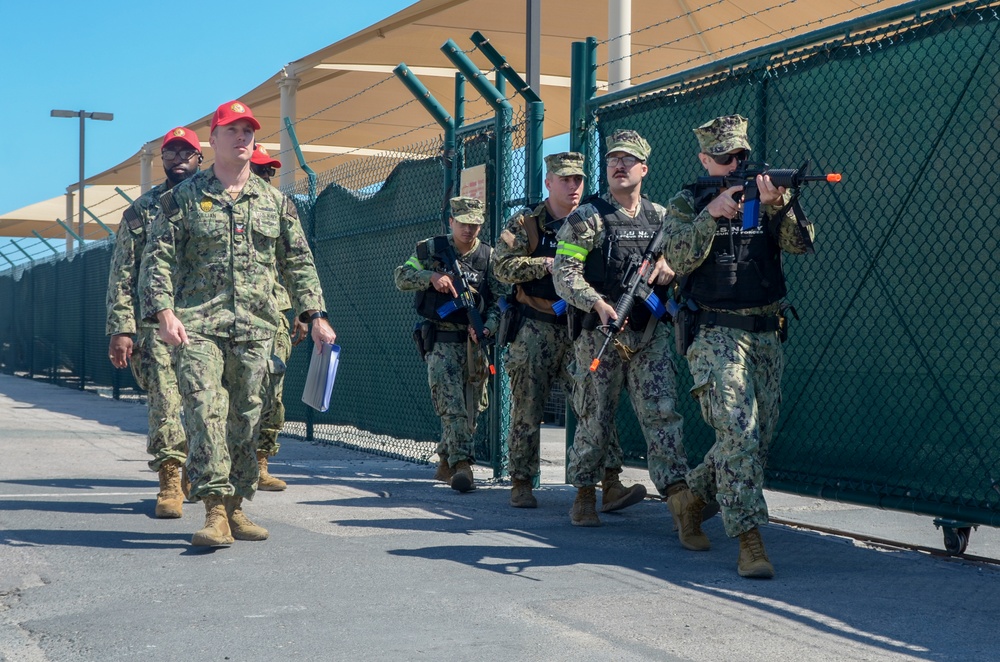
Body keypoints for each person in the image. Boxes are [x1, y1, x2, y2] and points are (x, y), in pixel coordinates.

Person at [139, 100, 335, 547]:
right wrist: (164, 314)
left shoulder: (276, 202)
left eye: (248, 130)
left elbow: (299, 262)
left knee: (246, 421)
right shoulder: (182, 200)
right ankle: (213, 512)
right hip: (198, 326)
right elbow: (158, 262)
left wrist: (316, 315)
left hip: (258, 329)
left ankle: (236, 506)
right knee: (206, 414)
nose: (243, 136)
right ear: (214, 139)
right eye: (233, 130)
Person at [661, 114, 816, 579]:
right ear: (705, 159)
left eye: (741, 157)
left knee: (755, 438)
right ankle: (749, 540)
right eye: (725, 157)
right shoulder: (688, 202)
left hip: (766, 330)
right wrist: (712, 214)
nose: (734, 164)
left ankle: (691, 497)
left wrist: (779, 205)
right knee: (737, 432)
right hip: (713, 331)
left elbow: (802, 245)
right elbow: (677, 257)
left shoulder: (769, 197)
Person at [552, 129, 690, 527]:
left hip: (649, 337)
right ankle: (583, 492)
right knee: (594, 417)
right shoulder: (588, 218)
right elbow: (565, 272)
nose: (618, 165)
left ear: (643, 168)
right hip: (601, 334)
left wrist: (671, 266)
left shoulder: (663, 218)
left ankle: (680, 499)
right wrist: (596, 302)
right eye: (613, 159)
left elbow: (689, 255)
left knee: (662, 413)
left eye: (628, 160)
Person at [493, 152, 644, 511]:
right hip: (536, 326)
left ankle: (609, 481)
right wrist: (543, 264)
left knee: (594, 406)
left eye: (578, 179)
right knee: (528, 405)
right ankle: (521, 480)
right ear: (549, 183)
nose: (573, 185)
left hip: (581, 327)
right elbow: (500, 267)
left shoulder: (594, 217)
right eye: (565, 179)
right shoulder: (525, 223)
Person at [106, 126, 201, 518]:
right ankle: (169, 479)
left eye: (187, 153)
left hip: (206, 321)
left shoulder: (219, 202)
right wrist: (121, 328)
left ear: (200, 159)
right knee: (165, 399)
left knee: (207, 401)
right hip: (153, 326)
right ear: (162, 159)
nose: (178, 158)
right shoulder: (142, 210)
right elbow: (123, 272)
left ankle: (199, 471)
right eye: (171, 152)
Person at [393, 197, 506, 493]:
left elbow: (500, 301)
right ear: (451, 222)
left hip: (473, 342)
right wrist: (431, 277)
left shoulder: (489, 258)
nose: (470, 229)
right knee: (452, 405)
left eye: (475, 224)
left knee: (471, 409)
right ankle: (462, 465)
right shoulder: (431, 250)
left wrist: (486, 326)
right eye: (464, 223)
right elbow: (401, 277)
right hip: (441, 340)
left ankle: (446, 459)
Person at [249, 143, 309, 491]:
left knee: (273, 393)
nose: (266, 177)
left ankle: (260, 462)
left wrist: (302, 313)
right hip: (235, 317)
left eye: (270, 171)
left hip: (276, 316)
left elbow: (294, 264)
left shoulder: (279, 208)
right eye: (260, 170)